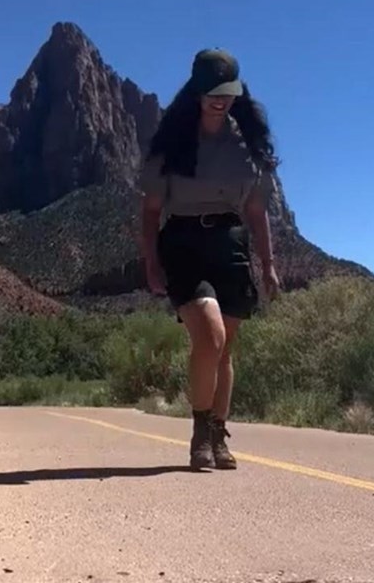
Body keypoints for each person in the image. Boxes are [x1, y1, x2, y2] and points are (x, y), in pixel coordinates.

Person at [139, 48, 281, 471]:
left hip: (230, 244)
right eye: (212, 92)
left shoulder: (247, 145)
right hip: (182, 243)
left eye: (228, 92)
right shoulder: (173, 144)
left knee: (224, 350)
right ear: (197, 93)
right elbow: (150, 211)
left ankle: (218, 434)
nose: (220, 100)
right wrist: (151, 261)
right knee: (211, 337)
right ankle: (200, 431)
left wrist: (268, 265)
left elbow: (257, 212)